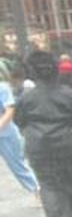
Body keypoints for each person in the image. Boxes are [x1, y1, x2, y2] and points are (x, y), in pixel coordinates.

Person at [14, 49, 72, 217]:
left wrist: (32, 132)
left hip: (39, 145)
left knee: (48, 183)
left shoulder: (26, 98)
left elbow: (19, 120)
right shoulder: (71, 96)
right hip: (70, 143)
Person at [0, 61, 39, 200]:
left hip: (5, 133)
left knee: (17, 165)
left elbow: (10, 109)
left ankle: (38, 190)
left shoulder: (2, 88)